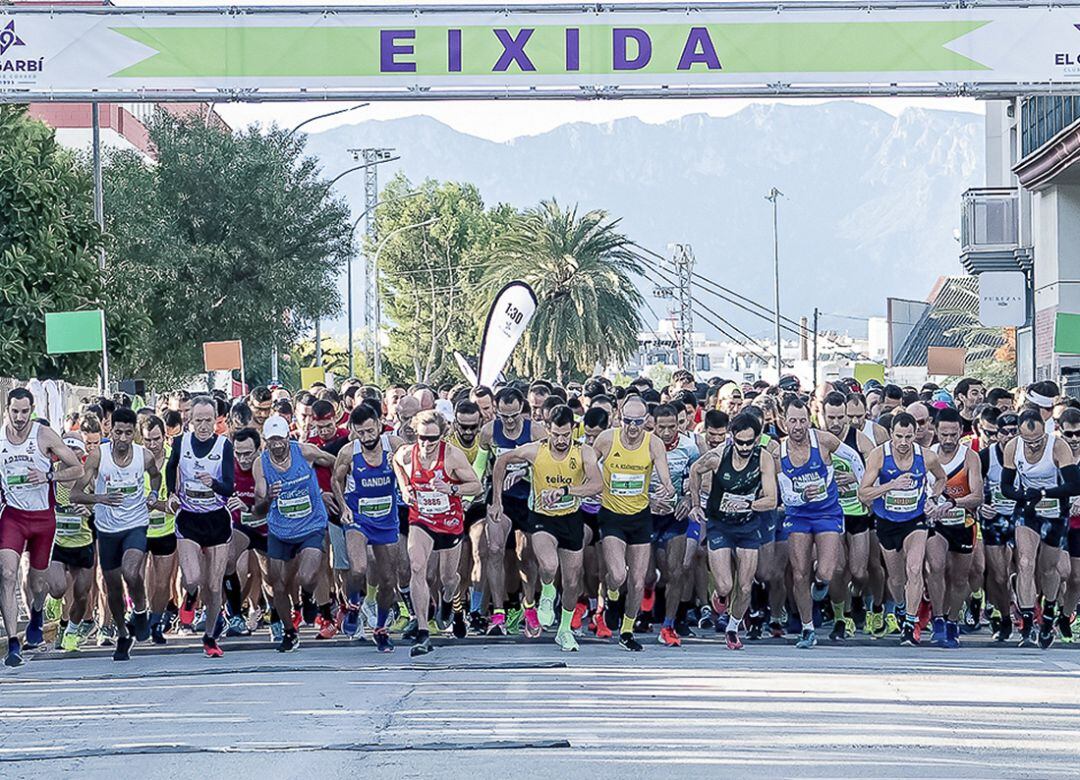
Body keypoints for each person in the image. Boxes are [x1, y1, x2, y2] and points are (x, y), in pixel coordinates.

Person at [492, 405, 603, 652]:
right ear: (548, 431)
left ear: (574, 430)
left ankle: (564, 630)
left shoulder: (583, 452)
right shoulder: (536, 450)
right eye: (556, 435)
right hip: (542, 518)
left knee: (573, 581)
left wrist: (566, 491)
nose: (561, 440)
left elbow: (597, 485)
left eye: (566, 435)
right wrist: (497, 500)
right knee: (549, 566)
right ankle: (548, 590)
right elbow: (501, 461)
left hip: (571, 518)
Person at [0, 388, 84, 666]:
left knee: (38, 582)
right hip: (12, 516)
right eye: (15, 411)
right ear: (7, 410)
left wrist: (49, 474)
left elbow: (77, 468)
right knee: (8, 573)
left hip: (42, 518)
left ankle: (37, 612)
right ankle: (14, 643)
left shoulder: (43, 436)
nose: (20, 417)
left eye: (25, 411)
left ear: (32, 409)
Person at [71, 407, 161, 661]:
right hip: (107, 529)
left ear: (135, 434)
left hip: (135, 524)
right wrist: (101, 498)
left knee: (131, 572)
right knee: (112, 587)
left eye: (128, 433)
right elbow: (77, 493)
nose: (122, 439)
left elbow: (155, 477)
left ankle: (141, 611)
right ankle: (122, 633)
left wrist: (153, 495)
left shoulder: (143, 456)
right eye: (118, 432)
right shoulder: (99, 456)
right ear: (111, 431)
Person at [393, 410, 483, 656]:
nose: (427, 443)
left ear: (442, 436)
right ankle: (423, 631)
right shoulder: (406, 454)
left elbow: (476, 485)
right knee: (417, 566)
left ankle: (449, 601)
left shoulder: (452, 456)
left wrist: (452, 488)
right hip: (421, 519)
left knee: (448, 578)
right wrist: (404, 488)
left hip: (449, 521)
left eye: (433, 438)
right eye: (422, 437)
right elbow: (395, 462)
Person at [777, 396, 862, 649]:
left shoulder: (823, 440)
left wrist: (861, 485)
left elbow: (855, 458)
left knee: (827, 571)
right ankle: (807, 628)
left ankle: (821, 587)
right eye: (793, 421)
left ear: (809, 420)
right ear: (784, 422)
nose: (798, 426)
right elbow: (786, 493)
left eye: (803, 420)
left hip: (827, 513)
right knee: (800, 573)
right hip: (798, 514)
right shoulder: (777, 451)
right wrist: (802, 495)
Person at [688, 412, 778, 650]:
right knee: (725, 586)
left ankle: (733, 627)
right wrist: (696, 504)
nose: (745, 447)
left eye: (750, 442)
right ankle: (719, 598)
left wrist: (750, 504)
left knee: (746, 585)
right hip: (720, 524)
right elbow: (695, 470)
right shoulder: (718, 456)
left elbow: (772, 499)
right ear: (732, 438)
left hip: (748, 524)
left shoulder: (763, 458)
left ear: (757, 438)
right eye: (740, 442)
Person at [592, 395, 676, 652]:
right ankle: (612, 598)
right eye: (628, 421)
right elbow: (588, 464)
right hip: (612, 514)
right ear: (619, 417)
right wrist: (592, 484)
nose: (632, 428)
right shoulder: (607, 438)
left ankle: (627, 631)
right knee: (618, 574)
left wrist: (668, 490)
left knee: (638, 581)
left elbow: (665, 477)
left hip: (640, 516)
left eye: (638, 422)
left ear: (646, 421)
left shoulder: (654, 444)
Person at [859, 412, 949, 647]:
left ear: (914, 436)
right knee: (897, 579)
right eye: (899, 436)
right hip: (887, 521)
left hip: (914, 520)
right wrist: (891, 485)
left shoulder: (926, 457)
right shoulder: (879, 456)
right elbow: (863, 493)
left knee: (914, 569)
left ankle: (910, 624)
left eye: (908, 437)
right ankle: (901, 606)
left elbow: (941, 478)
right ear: (891, 434)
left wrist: (933, 498)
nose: (903, 442)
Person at [251, 415, 336, 652]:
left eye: (281, 439)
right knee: (277, 584)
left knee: (307, 576)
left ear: (289, 437)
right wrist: (268, 496)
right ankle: (289, 632)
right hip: (280, 529)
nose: (277, 445)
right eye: (272, 441)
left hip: (311, 525)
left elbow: (336, 462)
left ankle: (308, 597)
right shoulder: (261, 463)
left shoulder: (305, 452)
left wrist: (330, 489)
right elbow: (258, 509)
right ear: (265, 441)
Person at [999, 408, 1079, 648]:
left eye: (1037, 442)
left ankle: (1049, 612)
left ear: (1045, 432)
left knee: (1049, 569)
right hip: (1028, 511)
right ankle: (1026, 621)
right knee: (1024, 563)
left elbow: (1075, 485)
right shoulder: (1014, 447)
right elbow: (1005, 486)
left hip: (1055, 511)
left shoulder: (1057, 446)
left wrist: (1044, 492)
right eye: (1028, 442)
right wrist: (1022, 495)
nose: (1032, 447)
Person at [165, 395, 235, 658]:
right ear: (189, 420)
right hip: (189, 518)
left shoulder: (223, 446)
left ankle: (209, 637)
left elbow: (229, 486)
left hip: (216, 519)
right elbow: (171, 468)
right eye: (198, 420)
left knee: (215, 586)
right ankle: (190, 595)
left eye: (208, 420)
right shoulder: (181, 443)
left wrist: (213, 484)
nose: (203, 426)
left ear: (216, 420)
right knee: (193, 578)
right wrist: (172, 493)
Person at [332, 403, 405, 652]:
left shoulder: (393, 445)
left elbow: (410, 467)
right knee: (359, 567)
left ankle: (381, 628)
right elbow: (336, 480)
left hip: (386, 519)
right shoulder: (347, 453)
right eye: (361, 433)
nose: (367, 438)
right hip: (358, 518)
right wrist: (343, 507)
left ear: (379, 425)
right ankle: (353, 605)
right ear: (353, 430)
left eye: (371, 431)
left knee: (387, 579)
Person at [481, 387, 546, 636]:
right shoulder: (488, 432)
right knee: (494, 548)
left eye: (514, 416)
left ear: (523, 411)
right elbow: (480, 467)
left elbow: (547, 465)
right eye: (504, 416)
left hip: (529, 497)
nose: (509, 422)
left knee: (527, 554)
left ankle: (529, 605)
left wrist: (523, 470)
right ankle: (498, 612)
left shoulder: (536, 431)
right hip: (501, 497)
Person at [819, 391, 876, 641]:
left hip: (858, 511)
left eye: (840, 417)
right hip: (831, 512)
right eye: (831, 417)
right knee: (837, 568)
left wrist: (856, 477)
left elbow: (878, 470)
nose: (836, 423)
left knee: (860, 571)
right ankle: (841, 617)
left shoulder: (860, 440)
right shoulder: (817, 439)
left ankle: (857, 599)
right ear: (822, 414)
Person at [646, 403, 704, 647]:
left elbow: (697, 479)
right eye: (663, 428)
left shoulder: (690, 448)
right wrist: (648, 501)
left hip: (674, 516)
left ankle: (668, 625)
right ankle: (641, 611)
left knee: (676, 571)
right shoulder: (643, 445)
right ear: (653, 425)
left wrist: (689, 500)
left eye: (673, 427)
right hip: (646, 514)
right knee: (647, 576)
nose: (668, 433)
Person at [925, 407, 983, 648]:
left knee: (960, 578)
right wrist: (928, 503)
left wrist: (952, 502)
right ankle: (937, 619)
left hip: (963, 522)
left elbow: (977, 496)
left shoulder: (970, 457)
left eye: (953, 435)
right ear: (935, 432)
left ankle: (952, 621)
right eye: (944, 434)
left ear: (961, 431)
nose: (949, 440)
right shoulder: (927, 455)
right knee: (935, 567)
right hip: (936, 524)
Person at [978, 410, 1019, 641]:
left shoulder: (1026, 454)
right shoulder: (986, 456)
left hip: (1021, 516)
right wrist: (981, 505)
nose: (1009, 436)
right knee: (999, 574)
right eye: (1005, 432)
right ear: (997, 435)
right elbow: (973, 487)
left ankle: (1027, 615)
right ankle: (1003, 617)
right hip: (994, 519)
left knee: (1025, 568)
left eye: (1015, 432)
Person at [141, 414, 177, 644]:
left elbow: (178, 501)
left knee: (163, 581)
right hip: (140, 527)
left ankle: (156, 621)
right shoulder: (135, 459)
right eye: (147, 440)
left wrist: (159, 504)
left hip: (167, 528)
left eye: (156, 439)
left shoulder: (174, 459)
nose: (152, 444)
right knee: (135, 575)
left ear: (165, 437)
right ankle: (140, 614)